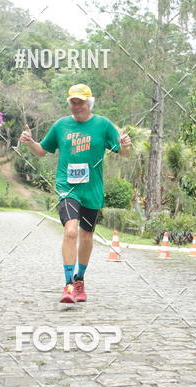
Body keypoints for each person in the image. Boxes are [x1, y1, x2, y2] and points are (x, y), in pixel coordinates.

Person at [19, 84, 131, 303]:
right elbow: (41, 151)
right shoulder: (61, 125)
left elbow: (124, 153)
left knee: (86, 235)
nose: (77, 106)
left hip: (92, 189)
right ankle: (69, 284)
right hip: (67, 188)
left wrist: (125, 145)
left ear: (89, 103)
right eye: (73, 102)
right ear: (69, 103)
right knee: (71, 231)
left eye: (81, 102)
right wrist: (30, 142)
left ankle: (80, 280)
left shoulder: (103, 125)